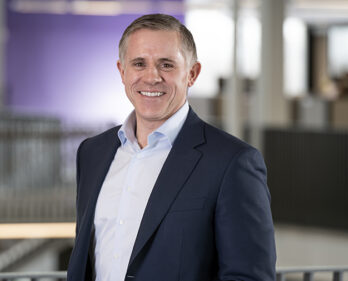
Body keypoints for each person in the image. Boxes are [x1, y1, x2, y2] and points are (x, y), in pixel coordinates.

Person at [67, 14, 276, 281]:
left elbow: (249, 277)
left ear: (192, 73)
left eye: (166, 65)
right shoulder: (92, 153)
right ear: (122, 71)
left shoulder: (232, 163)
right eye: (139, 63)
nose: (152, 77)